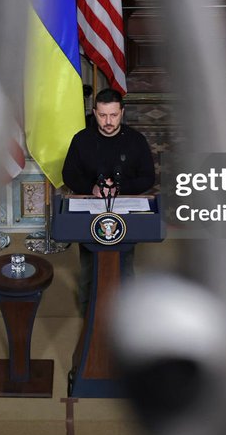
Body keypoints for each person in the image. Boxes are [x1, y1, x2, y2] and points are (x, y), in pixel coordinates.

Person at [61, 87, 156, 314]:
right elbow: (69, 174)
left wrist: (121, 189)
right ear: (94, 113)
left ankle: (126, 314)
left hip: (125, 210)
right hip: (90, 209)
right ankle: (88, 313)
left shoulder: (136, 140)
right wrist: (91, 188)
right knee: (89, 266)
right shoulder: (81, 139)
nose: (108, 121)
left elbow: (149, 177)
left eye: (113, 115)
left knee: (124, 266)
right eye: (103, 115)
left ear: (122, 112)